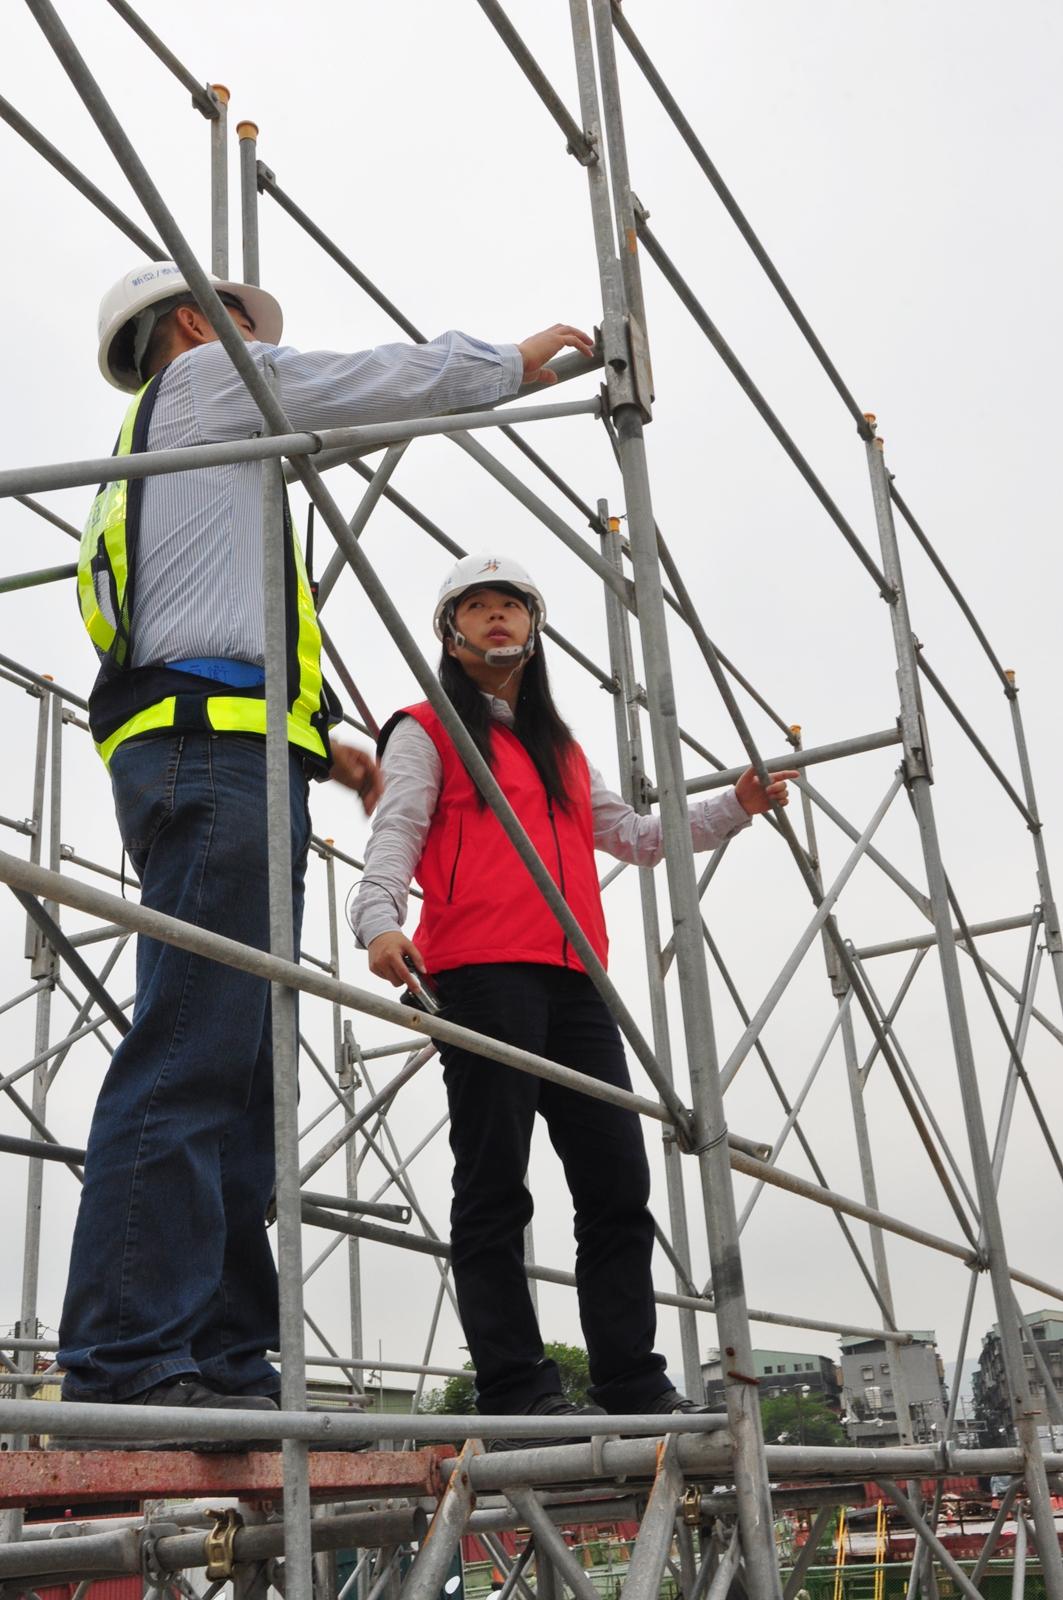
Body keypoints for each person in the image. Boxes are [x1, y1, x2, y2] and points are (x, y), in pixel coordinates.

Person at [58, 261, 594, 1446]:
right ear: (195, 325)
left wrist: (336, 750)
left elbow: (212, 626)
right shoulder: (206, 383)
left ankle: (221, 1356)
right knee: (197, 1049)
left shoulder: (185, 453)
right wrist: (509, 363)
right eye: (251, 330)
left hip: (232, 749)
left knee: (239, 1068)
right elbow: (366, 382)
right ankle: (126, 1358)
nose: (266, 352)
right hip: (212, 754)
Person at [348, 553, 798, 1434]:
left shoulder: (559, 745)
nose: (495, 619)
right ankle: (515, 1382)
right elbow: (394, 829)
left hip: (575, 980)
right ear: (450, 632)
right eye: (475, 608)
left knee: (615, 1185)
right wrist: (377, 924)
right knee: (494, 1184)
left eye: (509, 605)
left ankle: (631, 1381)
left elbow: (631, 837)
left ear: (533, 625)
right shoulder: (424, 728)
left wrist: (732, 806)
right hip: (478, 972)